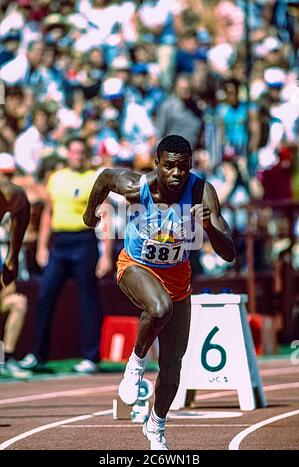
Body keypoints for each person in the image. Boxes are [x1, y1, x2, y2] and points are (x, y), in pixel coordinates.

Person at [83, 135, 236, 450]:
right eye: (169, 167)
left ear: (190, 166)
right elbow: (104, 178)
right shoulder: (136, 187)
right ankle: (135, 366)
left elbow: (229, 253)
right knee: (160, 308)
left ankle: (156, 427)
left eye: (182, 167)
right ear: (157, 165)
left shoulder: (201, 192)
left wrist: (208, 228)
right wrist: (90, 214)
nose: (176, 174)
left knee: (172, 366)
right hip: (135, 267)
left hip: (178, 278)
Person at [19, 137, 113, 373]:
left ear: (86, 154)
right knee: (44, 295)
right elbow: (48, 213)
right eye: (74, 152)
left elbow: (107, 215)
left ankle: (91, 357)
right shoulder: (56, 178)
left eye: (81, 152)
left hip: (84, 240)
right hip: (59, 243)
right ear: (68, 154)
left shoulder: (95, 178)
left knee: (88, 300)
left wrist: (106, 255)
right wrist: (42, 246)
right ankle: (37, 354)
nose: (77, 156)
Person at [0, 179, 30, 378]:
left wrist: (13, 256)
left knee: (18, 301)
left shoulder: (10, 194)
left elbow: (23, 204)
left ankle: (6, 358)